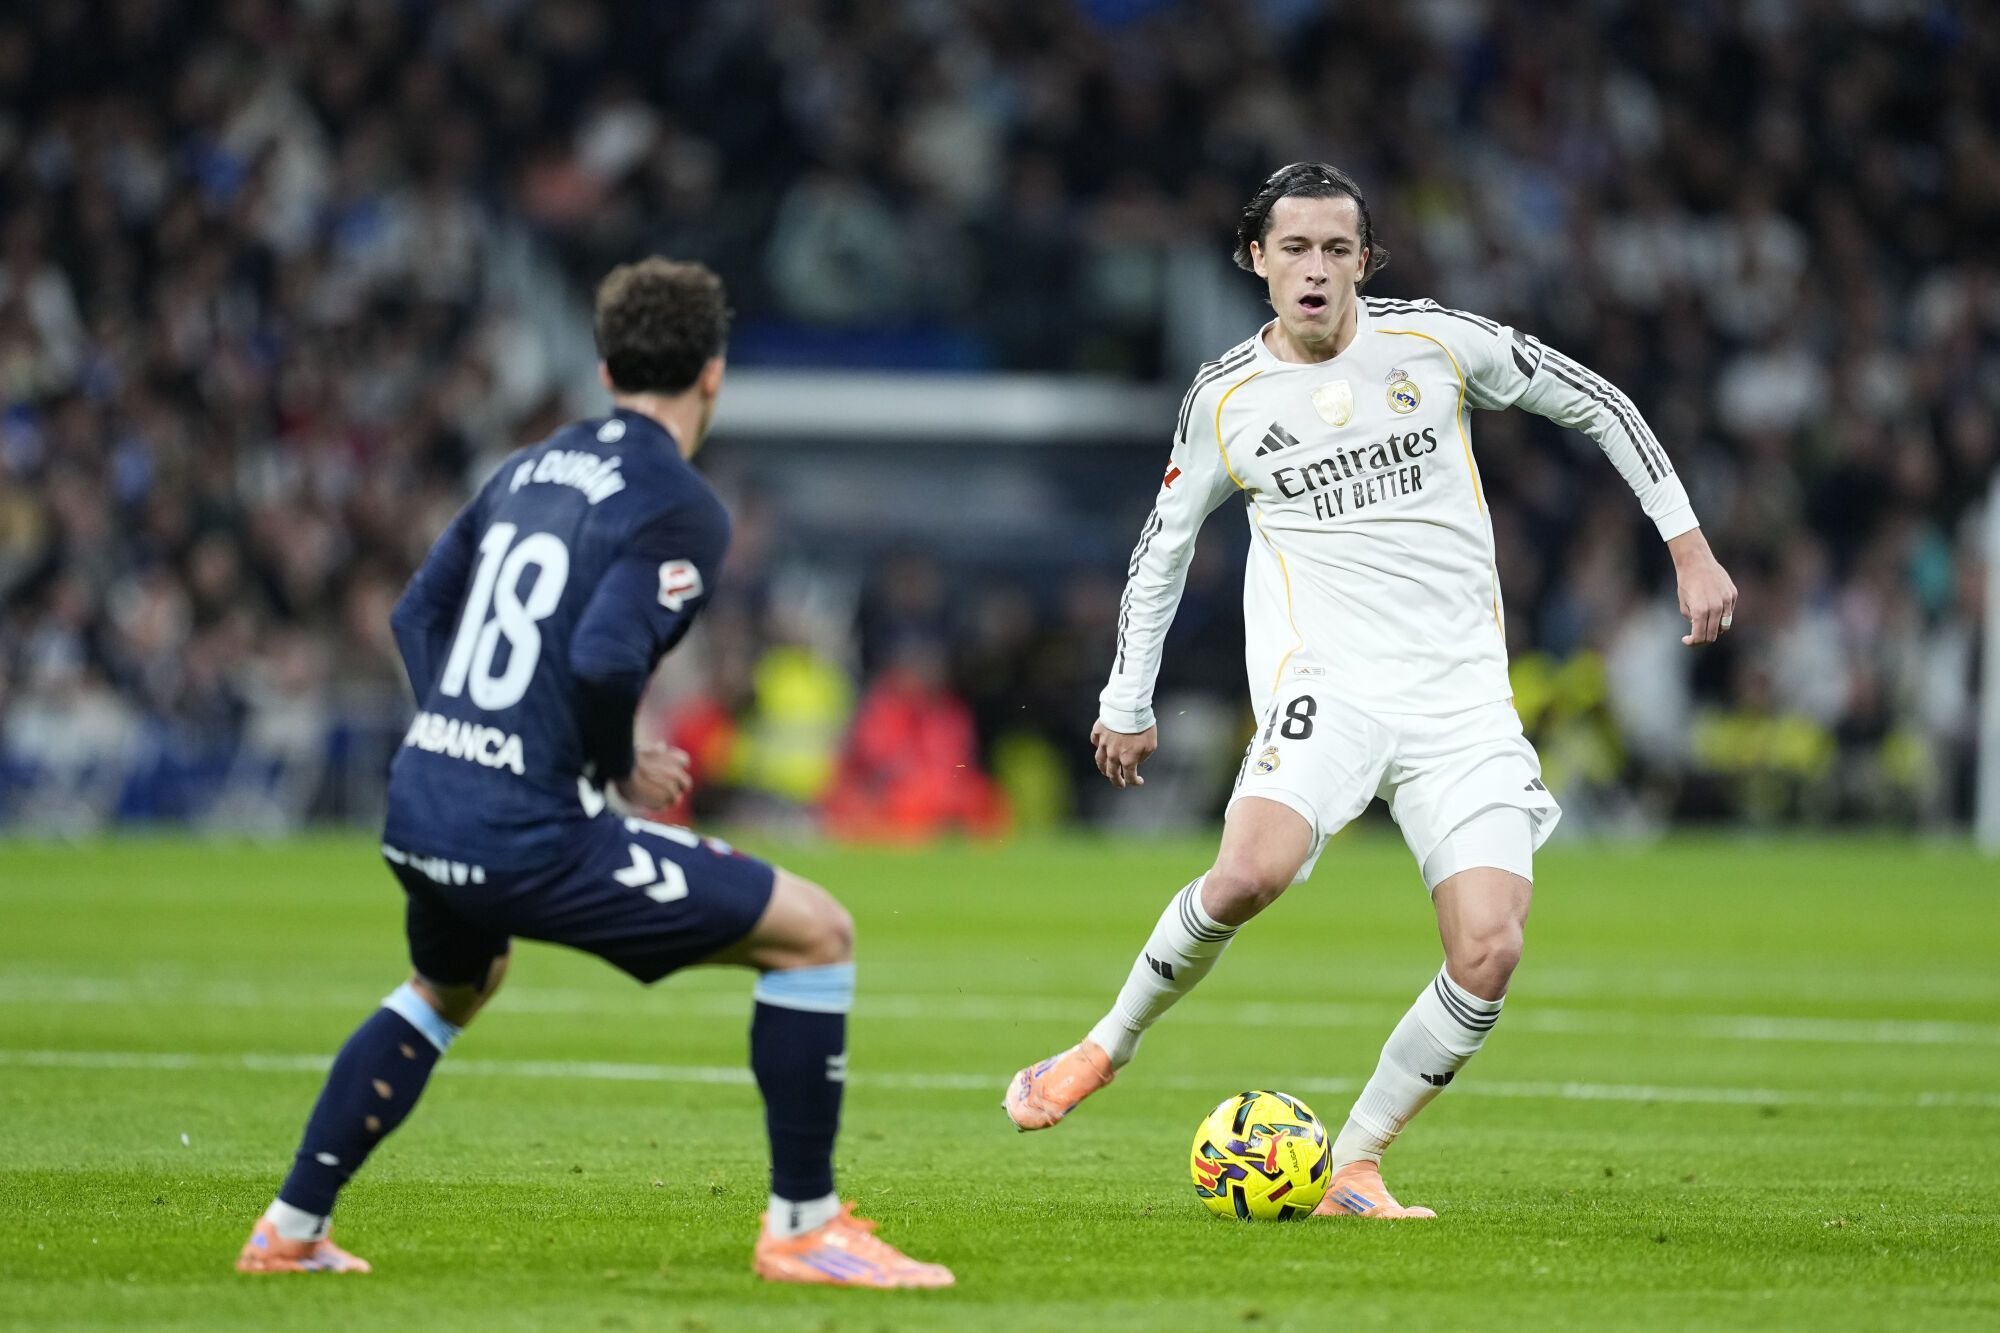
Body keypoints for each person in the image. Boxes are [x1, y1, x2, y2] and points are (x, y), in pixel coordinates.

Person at [1003, 164, 1738, 1219]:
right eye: (1294, 248)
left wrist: (1687, 544)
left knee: (1488, 948)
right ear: (1255, 259)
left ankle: (1353, 1163)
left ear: (1364, 261)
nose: (1315, 269)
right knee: (1246, 873)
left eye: (1336, 249)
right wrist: (1128, 696)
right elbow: (1163, 547)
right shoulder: (1224, 398)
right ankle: (1102, 1046)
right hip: (1329, 686)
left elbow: (1597, 401)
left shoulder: (1435, 343)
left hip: (1461, 702)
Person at [236, 258, 951, 1288]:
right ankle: (805, 1227)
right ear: (713, 373)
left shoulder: (526, 469)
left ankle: (290, 1229)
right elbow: (608, 658)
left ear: (607, 368)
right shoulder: (682, 505)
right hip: (523, 829)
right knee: (815, 934)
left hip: (423, 800)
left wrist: (457, 731)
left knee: (450, 984)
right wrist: (617, 767)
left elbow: (416, 612)